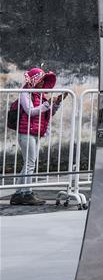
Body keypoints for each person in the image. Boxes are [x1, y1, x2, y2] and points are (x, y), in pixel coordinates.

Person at [9, 67, 62, 206]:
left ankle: (18, 194)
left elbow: (48, 113)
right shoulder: (25, 92)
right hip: (26, 133)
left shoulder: (40, 95)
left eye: (44, 80)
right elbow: (30, 111)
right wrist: (47, 104)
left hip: (36, 132)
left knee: (28, 163)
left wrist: (55, 104)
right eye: (41, 79)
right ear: (34, 80)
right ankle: (27, 193)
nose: (43, 82)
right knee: (30, 163)